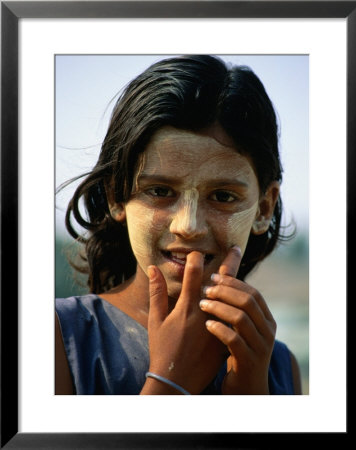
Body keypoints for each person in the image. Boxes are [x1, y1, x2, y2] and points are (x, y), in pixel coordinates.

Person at [55, 55, 302, 395]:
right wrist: (171, 383)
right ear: (116, 197)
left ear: (263, 208)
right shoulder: (58, 338)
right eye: (159, 191)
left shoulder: (278, 365)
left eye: (223, 196)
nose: (189, 226)